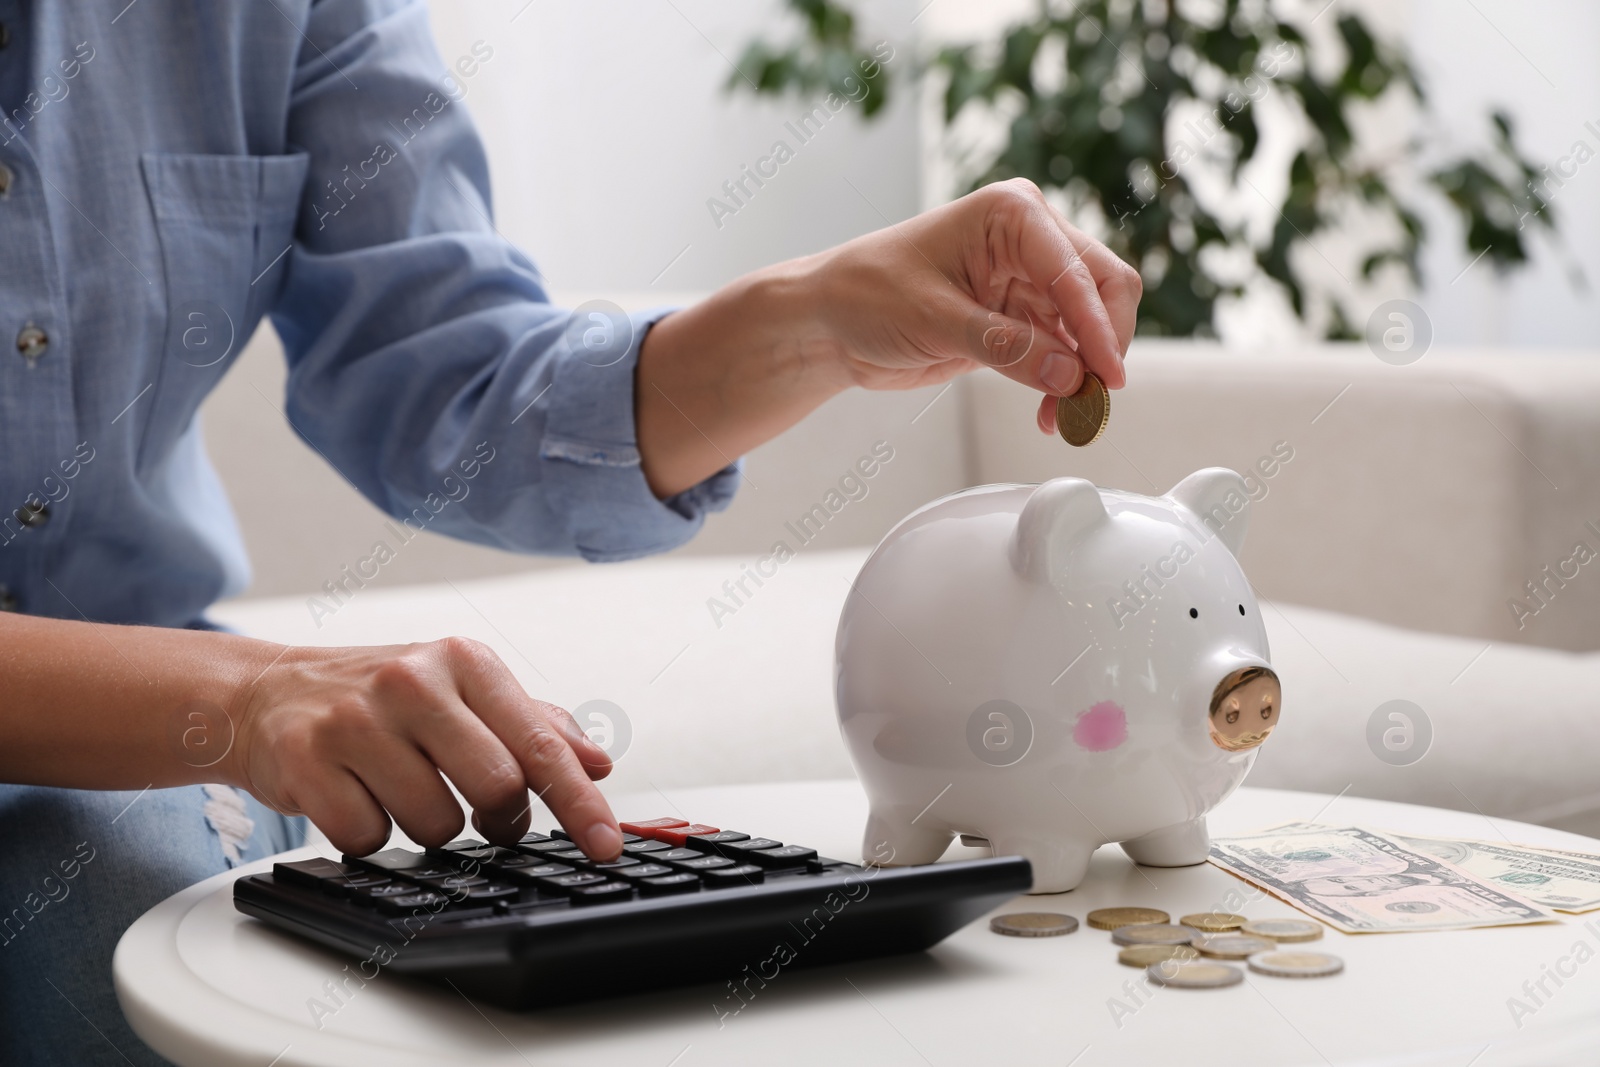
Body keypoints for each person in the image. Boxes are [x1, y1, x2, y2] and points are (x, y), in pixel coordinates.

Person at [0, 2, 1139, 1063]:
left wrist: (817, 321)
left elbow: (457, 384)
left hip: (165, 746)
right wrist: (246, 696)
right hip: (171, 718)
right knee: (108, 917)